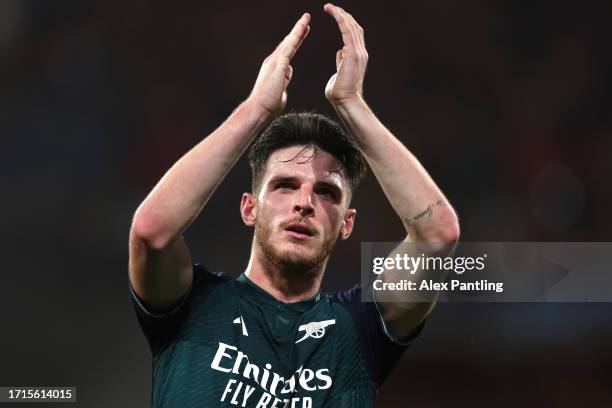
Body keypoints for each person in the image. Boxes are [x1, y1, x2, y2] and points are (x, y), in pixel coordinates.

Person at [128, 3, 459, 407]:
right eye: (285, 185)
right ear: (250, 208)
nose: (304, 202)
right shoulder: (194, 305)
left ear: (346, 224)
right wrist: (256, 110)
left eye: (326, 192)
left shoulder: (360, 330)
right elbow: (152, 232)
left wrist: (352, 106)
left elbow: (437, 236)